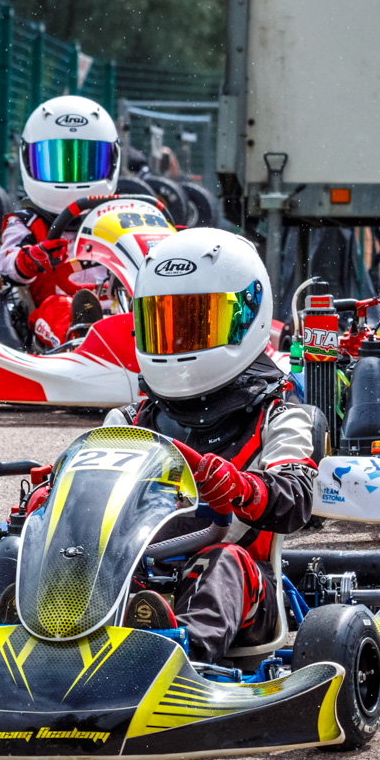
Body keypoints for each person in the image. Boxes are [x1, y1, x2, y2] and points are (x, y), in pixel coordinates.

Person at [106, 227, 317, 665]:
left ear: (246, 317)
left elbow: (296, 498)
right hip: (133, 576)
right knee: (21, 550)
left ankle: (176, 664)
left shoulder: (278, 416)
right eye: (164, 324)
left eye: (194, 324)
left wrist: (242, 488)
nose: (177, 342)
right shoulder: (128, 421)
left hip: (241, 590)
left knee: (223, 561)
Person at [0, 95, 121, 349]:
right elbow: (5, 262)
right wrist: (30, 259)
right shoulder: (26, 222)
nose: (71, 178)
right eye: (55, 162)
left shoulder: (118, 219)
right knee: (59, 307)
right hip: (52, 319)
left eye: (86, 163)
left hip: (119, 314)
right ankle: (81, 340)